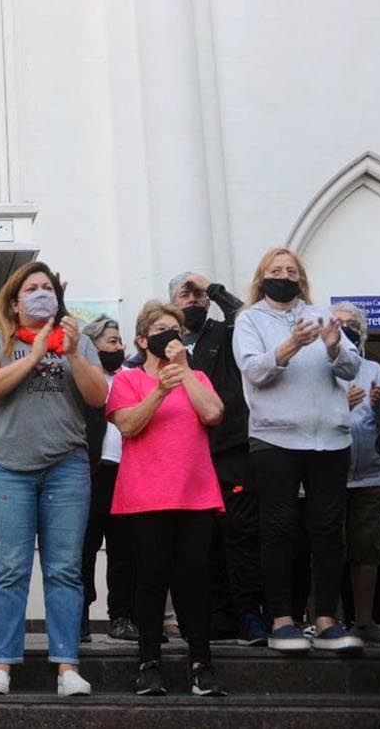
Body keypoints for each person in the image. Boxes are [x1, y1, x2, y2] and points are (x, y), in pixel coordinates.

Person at [0, 261, 107, 697]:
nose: (41, 293)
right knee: (9, 569)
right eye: (32, 287)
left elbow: (99, 396)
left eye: (47, 287)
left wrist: (69, 352)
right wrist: (33, 354)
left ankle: (67, 667)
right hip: (8, 467)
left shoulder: (78, 341)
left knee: (64, 569)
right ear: (15, 301)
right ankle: (1, 666)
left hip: (66, 466)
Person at [233, 247, 363, 654]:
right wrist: (290, 344)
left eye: (291, 270)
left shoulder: (323, 314)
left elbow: (351, 368)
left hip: (329, 439)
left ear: (301, 278)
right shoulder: (250, 319)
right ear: (262, 276)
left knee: (327, 530)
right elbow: (254, 370)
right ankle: (282, 619)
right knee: (278, 528)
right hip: (275, 439)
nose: (284, 275)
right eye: (276, 270)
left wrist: (332, 344)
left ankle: (325, 619)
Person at [108, 301, 228, 697]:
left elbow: (212, 414)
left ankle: (201, 663)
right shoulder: (128, 380)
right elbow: (127, 424)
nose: (168, 334)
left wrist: (186, 373)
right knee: (152, 573)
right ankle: (149, 663)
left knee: (194, 572)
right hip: (147, 493)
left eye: (174, 328)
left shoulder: (199, 377)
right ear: (143, 339)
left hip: (194, 491)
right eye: (159, 328)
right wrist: (160, 389)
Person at [168, 271, 268, 645]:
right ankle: (217, 616)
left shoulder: (226, 335)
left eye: (198, 295)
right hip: (186, 458)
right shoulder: (166, 345)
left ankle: (249, 615)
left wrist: (213, 287)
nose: (192, 300)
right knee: (200, 542)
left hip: (230, 451)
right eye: (185, 294)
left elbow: (247, 316)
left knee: (240, 536)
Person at [332, 301, 380, 646]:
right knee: (327, 547)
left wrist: (379, 406)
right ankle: (328, 620)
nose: (343, 328)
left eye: (350, 323)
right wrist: (342, 406)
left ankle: (364, 621)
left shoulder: (374, 371)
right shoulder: (318, 367)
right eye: (336, 322)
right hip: (328, 475)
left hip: (369, 475)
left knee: (366, 548)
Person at [79, 316, 138, 642]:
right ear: (93, 344)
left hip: (127, 472)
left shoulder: (133, 376)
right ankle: (80, 618)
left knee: (124, 549)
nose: (119, 347)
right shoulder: (83, 375)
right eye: (111, 341)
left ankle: (121, 617)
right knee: (84, 549)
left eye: (120, 341)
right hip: (91, 472)